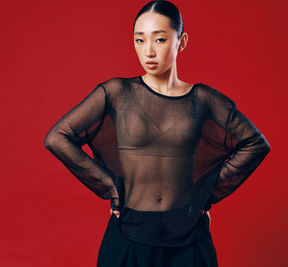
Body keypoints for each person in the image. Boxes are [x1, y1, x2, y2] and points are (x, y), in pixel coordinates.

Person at [43, 0, 271, 266]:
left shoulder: (204, 99)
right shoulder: (117, 93)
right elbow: (57, 137)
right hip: (128, 235)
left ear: (181, 41)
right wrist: (110, 187)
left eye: (160, 39)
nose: (148, 51)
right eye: (139, 40)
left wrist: (205, 194)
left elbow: (256, 144)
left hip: (189, 238)